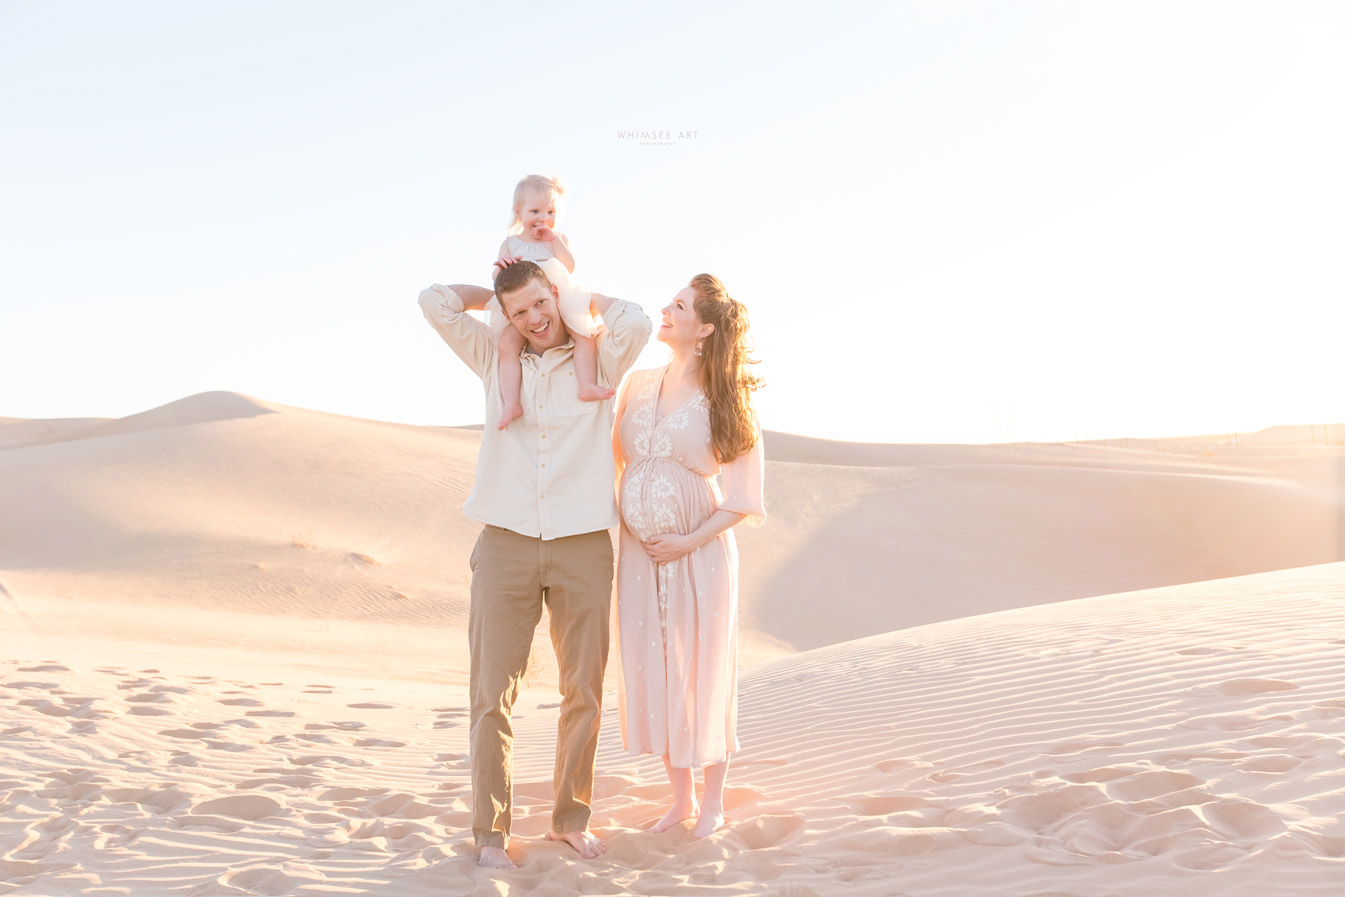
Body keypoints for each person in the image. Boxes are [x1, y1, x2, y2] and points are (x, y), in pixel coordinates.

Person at [418, 260, 652, 869]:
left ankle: (571, 819)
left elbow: (639, 318)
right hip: (506, 541)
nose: (534, 319)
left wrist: (575, 296)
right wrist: (492, 296)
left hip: (582, 544)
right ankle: (490, 835)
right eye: (519, 311)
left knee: (584, 690)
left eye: (541, 304)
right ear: (506, 317)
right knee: (491, 694)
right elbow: (434, 300)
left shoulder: (599, 358)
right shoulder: (495, 361)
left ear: (557, 296)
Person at [612, 273, 765, 839]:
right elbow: (616, 463)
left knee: (702, 667)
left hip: (699, 552)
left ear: (703, 328)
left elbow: (746, 498)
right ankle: (680, 799)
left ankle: (714, 802)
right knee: (659, 665)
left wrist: (685, 540)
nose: (665, 310)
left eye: (677, 306)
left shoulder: (728, 393)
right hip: (638, 556)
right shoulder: (638, 382)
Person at [479, 174, 612, 429]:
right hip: (525, 303)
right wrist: (502, 267)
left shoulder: (557, 239)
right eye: (535, 211)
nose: (543, 218)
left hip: (559, 299)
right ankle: (511, 402)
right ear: (519, 212)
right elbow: (498, 278)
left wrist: (553, 240)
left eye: (551, 211)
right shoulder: (510, 243)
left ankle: (586, 385)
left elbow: (569, 267)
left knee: (584, 334)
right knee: (507, 345)